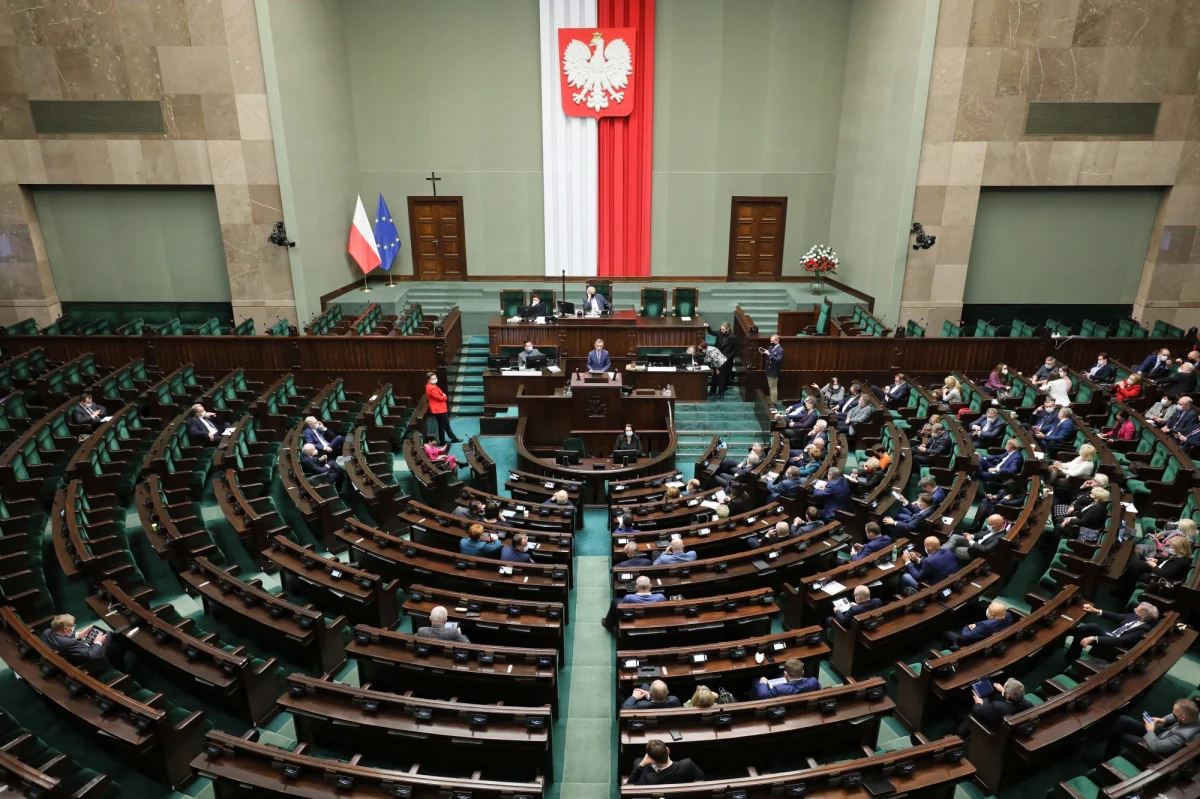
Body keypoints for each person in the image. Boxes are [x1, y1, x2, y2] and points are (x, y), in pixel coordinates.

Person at [1065, 601, 1158, 662]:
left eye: (1136, 612)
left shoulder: (1143, 630)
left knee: (1093, 627)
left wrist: (1094, 638)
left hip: (1115, 648)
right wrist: (1095, 610)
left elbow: (1121, 641)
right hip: (1111, 636)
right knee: (1080, 635)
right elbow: (1118, 616)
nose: (1134, 612)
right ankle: (1071, 655)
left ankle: (1067, 634)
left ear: (1142, 617)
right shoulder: (1138, 617)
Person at [1105, 699, 1200, 758]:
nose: (1173, 713)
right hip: (1162, 733)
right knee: (1123, 719)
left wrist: (1150, 730)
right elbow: (1176, 715)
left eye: (1175, 712)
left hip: (1153, 747)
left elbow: (1156, 746)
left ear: (1183, 717)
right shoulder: (1194, 715)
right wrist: (1163, 720)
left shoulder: (1182, 736)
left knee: (1119, 734)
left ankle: (1107, 757)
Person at [40, 614, 119, 671]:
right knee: (109, 635)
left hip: (68, 653)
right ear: (65, 629)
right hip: (85, 663)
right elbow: (92, 655)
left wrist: (79, 634)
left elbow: (61, 637)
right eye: (72, 626)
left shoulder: (46, 632)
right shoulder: (69, 643)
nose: (74, 626)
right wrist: (98, 643)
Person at [959, 678, 1031, 739]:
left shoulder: (998, 707)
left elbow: (980, 712)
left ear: (1008, 696)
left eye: (1004, 688)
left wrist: (979, 703)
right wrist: (1003, 691)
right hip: (1014, 730)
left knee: (971, 715)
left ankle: (961, 735)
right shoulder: (1029, 705)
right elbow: (1016, 699)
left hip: (995, 731)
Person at [1122, 535, 1194, 591]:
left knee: (1134, 571)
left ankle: (1124, 590)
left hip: (1157, 578)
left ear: (1179, 549)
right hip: (1160, 568)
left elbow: (1165, 575)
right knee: (1134, 564)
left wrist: (1154, 566)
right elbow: (1169, 562)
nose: (1170, 549)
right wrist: (1157, 561)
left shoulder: (1181, 563)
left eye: (1172, 548)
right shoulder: (1181, 555)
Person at [627, 740, 705, 786]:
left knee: (637, 761)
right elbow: (701, 777)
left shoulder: (649, 779)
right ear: (668, 750)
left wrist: (641, 765)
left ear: (651, 760)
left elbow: (629, 785)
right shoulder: (688, 764)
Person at [943, 600, 1015, 651]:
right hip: (993, 636)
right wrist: (976, 624)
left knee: (945, 633)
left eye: (988, 610)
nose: (987, 610)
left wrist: (967, 627)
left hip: (974, 644)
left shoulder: (986, 625)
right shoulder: (1008, 615)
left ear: (992, 616)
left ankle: (950, 650)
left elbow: (965, 635)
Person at [944, 514, 1009, 563]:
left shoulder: (999, 538)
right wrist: (971, 536)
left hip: (975, 553)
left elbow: (984, 549)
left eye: (989, 524)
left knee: (953, 549)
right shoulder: (995, 528)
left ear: (997, 525)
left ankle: (940, 554)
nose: (988, 525)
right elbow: (980, 534)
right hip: (975, 543)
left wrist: (970, 541)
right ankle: (940, 551)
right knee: (955, 536)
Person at [751, 657, 819, 699]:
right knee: (780, 676)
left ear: (786, 674)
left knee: (756, 681)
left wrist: (763, 683)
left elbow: (763, 696)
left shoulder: (779, 689)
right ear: (803, 672)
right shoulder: (813, 681)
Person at [703, 321, 738, 399]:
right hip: (717, 357)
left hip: (725, 359)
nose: (721, 331)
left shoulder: (733, 337)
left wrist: (728, 357)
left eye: (723, 329)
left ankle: (721, 393)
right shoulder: (719, 333)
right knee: (714, 376)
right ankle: (713, 391)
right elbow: (712, 332)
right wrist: (708, 326)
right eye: (721, 329)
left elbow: (735, 350)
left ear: (727, 329)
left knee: (721, 377)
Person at [425, 373, 460, 445]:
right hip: (438, 409)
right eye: (433, 378)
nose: (435, 379)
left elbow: (440, 394)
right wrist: (445, 396)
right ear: (429, 380)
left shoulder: (432, 385)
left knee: (446, 424)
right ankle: (443, 441)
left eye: (435, 377)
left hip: (440, 408)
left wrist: (443, 395)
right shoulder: (431, 387)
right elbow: (440, 397)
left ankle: (452, 438)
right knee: (442, 425)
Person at [761, 334, 783, 404]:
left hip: (774, 371)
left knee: (773, 387)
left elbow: (778, 359)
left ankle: (774, 403)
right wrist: (763, 352)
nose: (771, 342)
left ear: (777, 341)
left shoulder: (780, 350)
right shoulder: (771, 347)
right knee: (770, 386)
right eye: (771, 341)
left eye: (773, 341)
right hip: (768, 370)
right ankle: (771, 400)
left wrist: (769, 354)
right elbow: (768, 356)